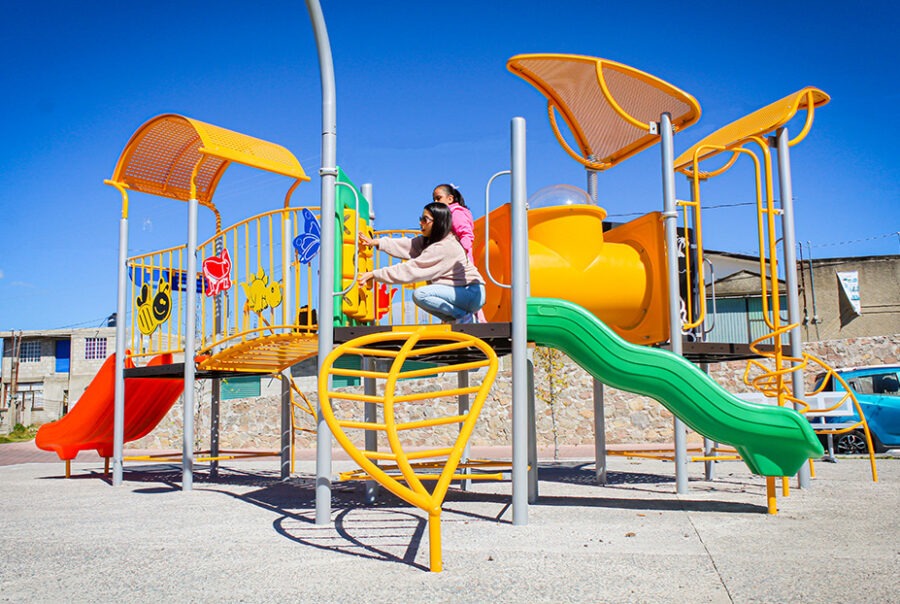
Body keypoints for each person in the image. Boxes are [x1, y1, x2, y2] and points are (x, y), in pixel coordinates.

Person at [357, 201, 485, 324]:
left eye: (425, 219)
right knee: (425, 297)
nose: (420, 223)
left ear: (438, 222)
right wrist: (377, 242)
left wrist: (374, 274)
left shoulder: (443, 247)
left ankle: (463, 317)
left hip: (470, 292)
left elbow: (410, 270)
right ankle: (459, 319)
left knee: (421, 295)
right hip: (460, 292)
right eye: (421, 218)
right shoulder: (431, 241)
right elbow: (408, 245)